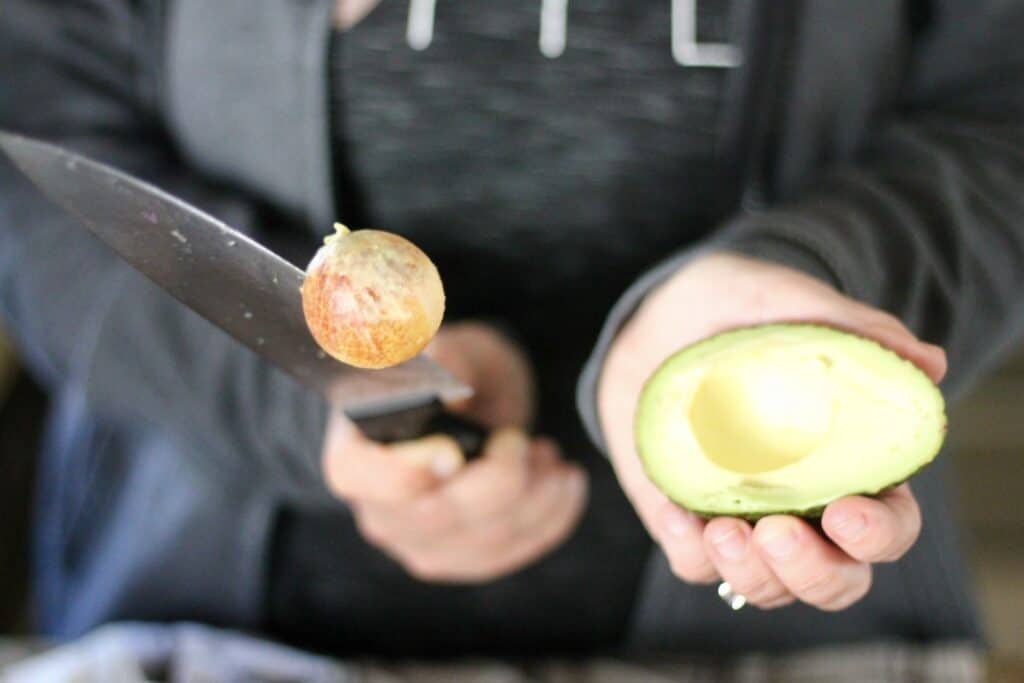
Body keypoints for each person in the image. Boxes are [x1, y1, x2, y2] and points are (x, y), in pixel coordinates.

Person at [0, 0, 1019, 658]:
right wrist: (304, 409)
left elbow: (1001, 108)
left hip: (785, 642)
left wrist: (817, 264)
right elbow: (33, 153)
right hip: (218, 622)